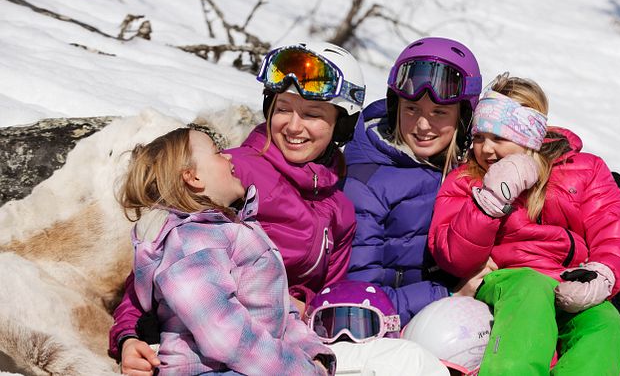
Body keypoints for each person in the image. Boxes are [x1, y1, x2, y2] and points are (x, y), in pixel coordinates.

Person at [109, 42, 365, 374]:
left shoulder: (340, 209)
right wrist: (129, 337)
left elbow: (327, 292)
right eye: (283, 108)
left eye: (313, 114)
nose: (293, 126)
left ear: (341, 126)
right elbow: (155, 266)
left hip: (287, 341)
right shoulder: (234, 174)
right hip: (221, 355)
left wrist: (307, 316)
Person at [428, 73, 620, 375]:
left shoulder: (585, 170)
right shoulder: (467, 181)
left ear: (528, 137)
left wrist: (601, 275)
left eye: (499, 138)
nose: (485, 150)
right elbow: (452, 255)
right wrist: (488, 202)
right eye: (479, 138)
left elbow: (614, 233)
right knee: (530, 291)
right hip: (509, 281)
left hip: (567, 285)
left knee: (606, 322)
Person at [118, 127, 334, 375]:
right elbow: (223, 334)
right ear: (193, 177)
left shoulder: (234, 228)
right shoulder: (190, 243)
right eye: (217, 152)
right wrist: (299, 370)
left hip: (252, 366)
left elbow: (279, 311)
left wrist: (311, 352)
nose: (229, 157)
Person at [343, 37, 494, 326]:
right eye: (412, 109)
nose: (423, 125)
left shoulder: (473, 168)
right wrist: (449, 293)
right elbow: (361, 298)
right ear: (395, 107)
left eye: (439, 113)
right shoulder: (367, 182)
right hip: (397, 328)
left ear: (462, 118)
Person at [304, 280, 448, 375]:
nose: (344, 334)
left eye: (359, 326)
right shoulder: (410, 356)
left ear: (388, 325)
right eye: (331, 327)